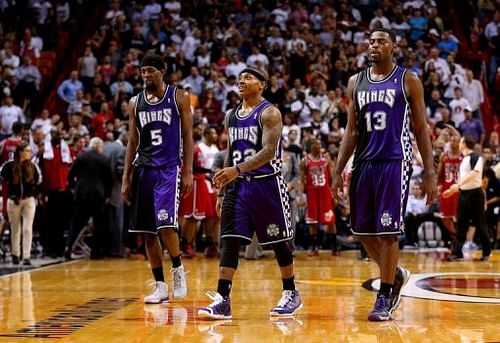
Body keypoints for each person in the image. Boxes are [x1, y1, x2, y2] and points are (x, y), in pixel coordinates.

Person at [332, 29, 437, 321]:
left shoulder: (408, 80)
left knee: (388, 231)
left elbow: (420, 129)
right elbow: (351, 131)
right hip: (364, 161)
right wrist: (337, 168)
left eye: (381, 41)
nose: (375, 45)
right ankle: (396, 273)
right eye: (371, 42)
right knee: (361, 230)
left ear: (394, 46)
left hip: (395, 160)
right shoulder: (357, 81)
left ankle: (385, 295)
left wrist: (430, 171)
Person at [198, 67, 302, 320]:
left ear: (262, 85)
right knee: (230, 240)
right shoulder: (230, 115)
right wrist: (223, 188)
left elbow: (268, 151)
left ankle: (291, 292)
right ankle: (223, 299)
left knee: (278, 242)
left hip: (267, 184)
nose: (242, 81)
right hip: (238, 185)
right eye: (240, 77)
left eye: (249, 78)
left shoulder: (269, 112)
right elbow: (232, 152)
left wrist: (236, 169)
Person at [121, 54, 193, 304]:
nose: (145, 75)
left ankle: (177, 268)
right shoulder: (135, 102)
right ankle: (160, 286)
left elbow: (187, 136)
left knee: (165, 225)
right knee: (147, 232)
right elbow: (132, 141)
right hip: (143, 169)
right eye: (143, 71)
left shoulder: (179, 97)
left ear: (162, 71)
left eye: (150, 70)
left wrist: (188, 171)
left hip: (169, 169)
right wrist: (126, 178)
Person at [64, 137, 113, 260]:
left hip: (82, 194)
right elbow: (109, 180)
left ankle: (68, 248)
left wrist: (73, 188)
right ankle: (96, 253)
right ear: (99, 147)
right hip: (98, 195)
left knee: (76, 223)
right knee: (98, 225)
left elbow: (70, 174)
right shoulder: (104, 159)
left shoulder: (81, 157)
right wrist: (107, 194)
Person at [445, 136, 491, 261]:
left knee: (480, 223)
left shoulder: (477, 157)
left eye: (460, 141)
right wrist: (454, 190)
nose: (459, 143)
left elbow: (475, 173)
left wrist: (458, 185)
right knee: (461, 224)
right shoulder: (464, 159)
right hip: (463, 194)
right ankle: (458, 253)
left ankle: (486, 251)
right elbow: (465, 179)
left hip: (476, 194)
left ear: (464, 144)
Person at [0, 142, 41, 265]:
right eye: (27, 151)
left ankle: (27, 256)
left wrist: (33, 194)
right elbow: (3, 180)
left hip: (28, 200)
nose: (29, 153)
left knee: (28, 228)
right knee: (15, 228)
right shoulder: (9, 166)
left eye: (30, 151)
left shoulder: (33, 167)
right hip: (14, 201)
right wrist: (10, 195)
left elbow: (37, 182)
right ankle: (15, 254)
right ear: (20, 152)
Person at [300, 138, 337, 256]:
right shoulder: (304, 161)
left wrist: (334, 194)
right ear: (311, 146)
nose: (320, 146)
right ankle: (314, 248)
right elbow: (302, 181)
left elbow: (331, 178)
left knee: (330, 221)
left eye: (320, 144)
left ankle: (334, 248)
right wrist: (301, 197)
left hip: (325, 192)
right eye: (317, 144)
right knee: (313, 223)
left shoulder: (326, 159)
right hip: (312, 193)